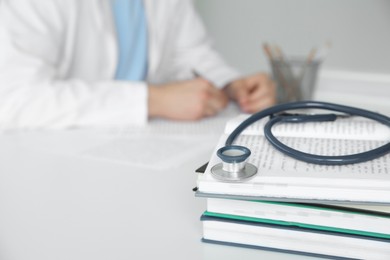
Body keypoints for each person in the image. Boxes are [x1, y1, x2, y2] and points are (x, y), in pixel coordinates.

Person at [0, 0, 275, 129]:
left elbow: (192, 53)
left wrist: (232, 85)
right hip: (50, 160)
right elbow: (13, 99)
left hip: (141, 146)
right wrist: (153, 100)